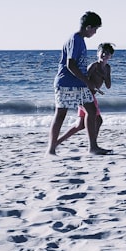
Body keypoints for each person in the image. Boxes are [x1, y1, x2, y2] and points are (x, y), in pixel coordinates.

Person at [47, 11, 110, 155]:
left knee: (92, 111)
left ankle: (92, 147)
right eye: (95, 29)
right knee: (60, 114)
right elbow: (70, 64)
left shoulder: (80, 40)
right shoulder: (75, 39)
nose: (95, 32)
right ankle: (50, 150)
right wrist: (87, 81)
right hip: (66, 83)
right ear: (88, 27)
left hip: (78, 84)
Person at [54, 42, 114, 148]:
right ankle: (93, 145)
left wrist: (105, 75)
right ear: (97, 53)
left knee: (80, 125)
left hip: (91, 96)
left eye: (107, 53)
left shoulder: (107, 68)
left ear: (110, 56)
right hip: (85, 95)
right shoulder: (93, 66)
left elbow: (108, 85)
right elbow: (83, 80)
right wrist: (93, 87)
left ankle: (56, 143)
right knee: (98, 120)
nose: (104, 55)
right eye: (103, 52)